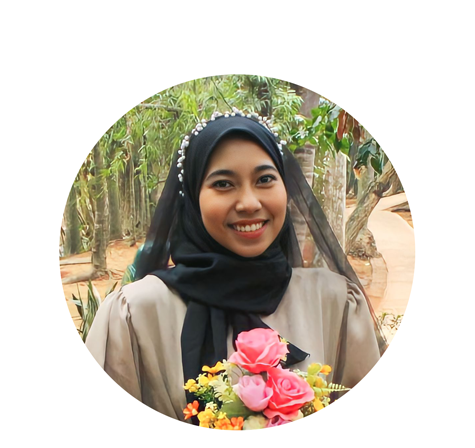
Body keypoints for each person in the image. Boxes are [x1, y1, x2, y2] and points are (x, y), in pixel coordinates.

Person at [85, 109, 384, 423]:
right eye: (224, 184)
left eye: (265, 179)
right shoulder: (135, 314)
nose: (249, 203)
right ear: (193, 198)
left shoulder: (335, 303)